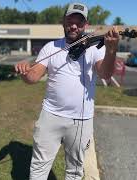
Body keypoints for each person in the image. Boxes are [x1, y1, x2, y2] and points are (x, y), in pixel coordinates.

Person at [14, 2, 119, 180]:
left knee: (75, 171)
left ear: (86, 25)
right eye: (70, 21)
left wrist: (111, 50)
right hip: (50, 115)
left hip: (81, 120)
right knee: (38, 168)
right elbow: (32, 77)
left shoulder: (94, 48)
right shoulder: (51, 47)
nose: (74, 26)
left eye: (79, 22)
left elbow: (106, 74)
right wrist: (24, 71)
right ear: (64, 22)